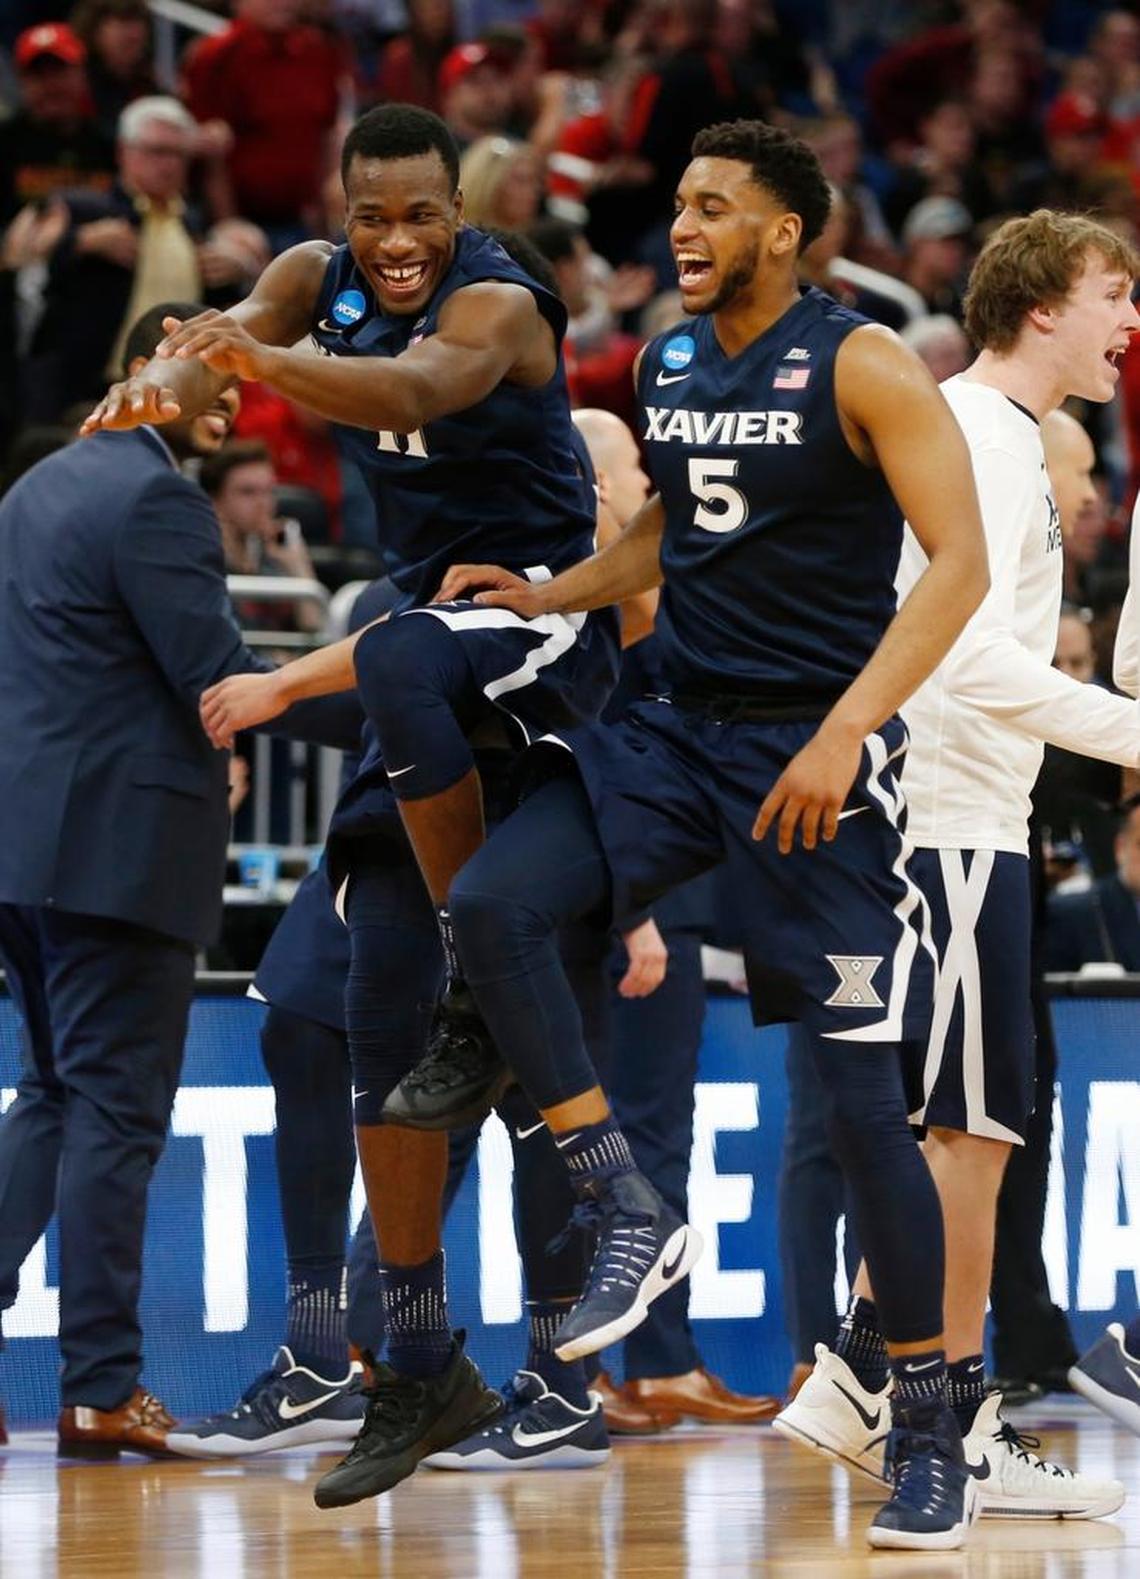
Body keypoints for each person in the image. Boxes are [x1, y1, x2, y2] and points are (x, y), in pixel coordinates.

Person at [420, 119, 992, 1550]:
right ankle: (627, 1200)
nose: (682, 225)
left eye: (714, 206)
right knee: (493, 903)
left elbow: (960, 566)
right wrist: (552, 592)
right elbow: (669, 533)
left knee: (861, 1109)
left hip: (815, 756)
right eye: (679, 202)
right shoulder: (667, 363)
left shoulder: (862, 360)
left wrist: (847, 729)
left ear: (784, 231)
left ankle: (930, 1424)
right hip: (678, 729)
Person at [82, 105, 622, 1506]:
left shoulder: (500, 304)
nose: (394, 242)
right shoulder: (310, 277)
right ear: (341, 210)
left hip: (538, 642)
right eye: (370, 215)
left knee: (529, 1041)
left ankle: (566, 1366)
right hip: (425, 665)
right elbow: (225, 330)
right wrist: (168, 377)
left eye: (420, 215)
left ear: (459, 211)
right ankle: (415, 1359)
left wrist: (253, 360)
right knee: (378, 1036)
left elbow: (410, 389)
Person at [777, 209, 1136, 1522]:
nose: (1130, 321)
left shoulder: (1001, 434)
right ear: (1042, 306)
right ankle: (939, 1407)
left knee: (967, 1129)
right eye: (1114, 293)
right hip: (944, 818)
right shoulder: (978, 432)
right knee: (969, 1134)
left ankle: (869, 1377)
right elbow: (966, 656)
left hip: (968, 816)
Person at [0, 301, 310, 1458]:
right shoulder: (157, 498)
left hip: (26, 849)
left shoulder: (35, 486)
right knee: (113, 1114)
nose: (229, 400)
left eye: (240, 381)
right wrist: (387, 686)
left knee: (53, 1097)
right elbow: (218, 674)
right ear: (147, 366)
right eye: (210, 373)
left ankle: (93, 1381)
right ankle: (100, 1386)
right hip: (116, 856)